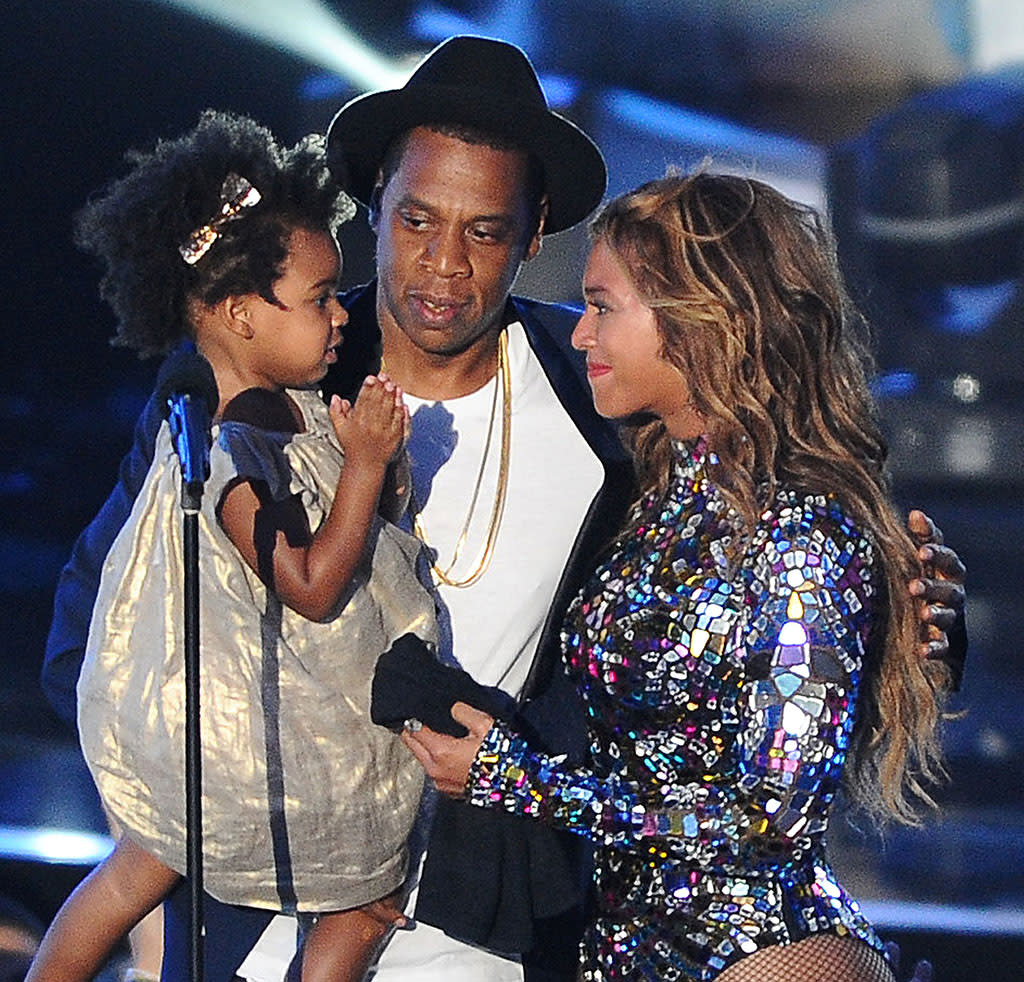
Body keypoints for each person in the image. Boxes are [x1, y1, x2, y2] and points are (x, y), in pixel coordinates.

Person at [41, 36, 966, 982]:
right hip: (262, 915)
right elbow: (94, 644)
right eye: (416, 220)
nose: (444, 263)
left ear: (533, 235)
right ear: (376, 213)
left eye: (484, 230)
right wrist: (187, 840)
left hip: (500, 930)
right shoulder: (261, 391)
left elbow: (755, 597)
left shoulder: (605, 392)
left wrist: (909, 615)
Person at [402, 171, 955, 982]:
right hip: (613, 948)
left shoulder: (799, 532)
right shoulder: (653, 497)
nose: (581, 335)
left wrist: (520, 782)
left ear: (701, 320)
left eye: (603, 306)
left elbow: (772, 823)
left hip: (764, 956)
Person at [27, 110, 437, 982]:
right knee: (155, 860)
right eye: (320, 299)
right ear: (239, 315)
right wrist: (366, 466)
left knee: (354, 900)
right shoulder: (223, 448)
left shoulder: (283, 421)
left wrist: (369, 468)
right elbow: (313, 585)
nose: (339, 316)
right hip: (226, 718)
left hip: (290, 700)